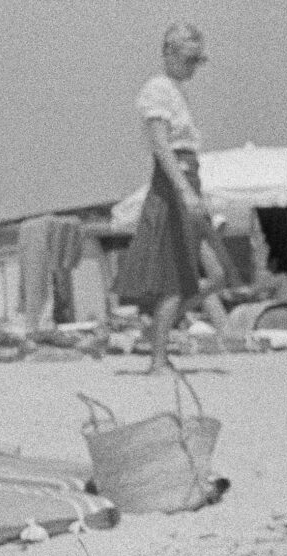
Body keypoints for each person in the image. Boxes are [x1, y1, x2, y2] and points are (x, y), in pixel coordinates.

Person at [112, 23, 232, 374]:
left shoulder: (176, 91)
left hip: (188, 180)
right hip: (173, 183)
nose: (193, 66)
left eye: (197, 60)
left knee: (220, 272)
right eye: (188, 58)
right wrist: (183, 191)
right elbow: (161, 144)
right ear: (168, 53)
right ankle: (158, 356)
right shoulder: (157, 90)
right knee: (178, 278)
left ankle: (158, 334)